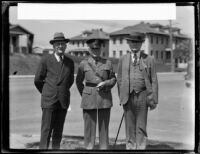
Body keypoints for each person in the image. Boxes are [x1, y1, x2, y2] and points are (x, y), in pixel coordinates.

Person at [117, 32, 158, 150]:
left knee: (141, 125)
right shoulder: (123, 59)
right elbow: (119, 79)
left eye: (137, 42)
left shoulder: (149, 59)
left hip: (143, 96)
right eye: (132, 42)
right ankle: (130, 147)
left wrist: (153, 99)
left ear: (141, 44)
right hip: (128, 97)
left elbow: (154, 80)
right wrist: (122, 96)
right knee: (129, 126)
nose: (134, 45)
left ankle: (140, 147)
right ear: (128, 43)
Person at [34, 32, 74, 149]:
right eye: (58, 44)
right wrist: (47, 92)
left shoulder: (69, 62)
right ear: (53, 46)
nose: (60, 46)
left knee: (58, 131)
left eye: (62, 44)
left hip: (63, 101)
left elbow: (69, 81)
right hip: (49, 101)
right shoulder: (46, 60)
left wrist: (61, 92)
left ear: (66, 46)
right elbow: (38, 80)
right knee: (46, 130)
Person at [76, 36, 116, 150]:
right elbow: (78, 81)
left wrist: (106, 83)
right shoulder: (83, 64)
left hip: (104, 98)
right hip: (89, 98)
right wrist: (85, 94)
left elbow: (113, 79)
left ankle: (104, 148)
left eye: (97, 49)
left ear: (101, 49)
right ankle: (89, 147)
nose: (95, 51)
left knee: (104, 127)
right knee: (89, 127)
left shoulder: (108, 63)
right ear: (89, 49)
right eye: (93, 49)